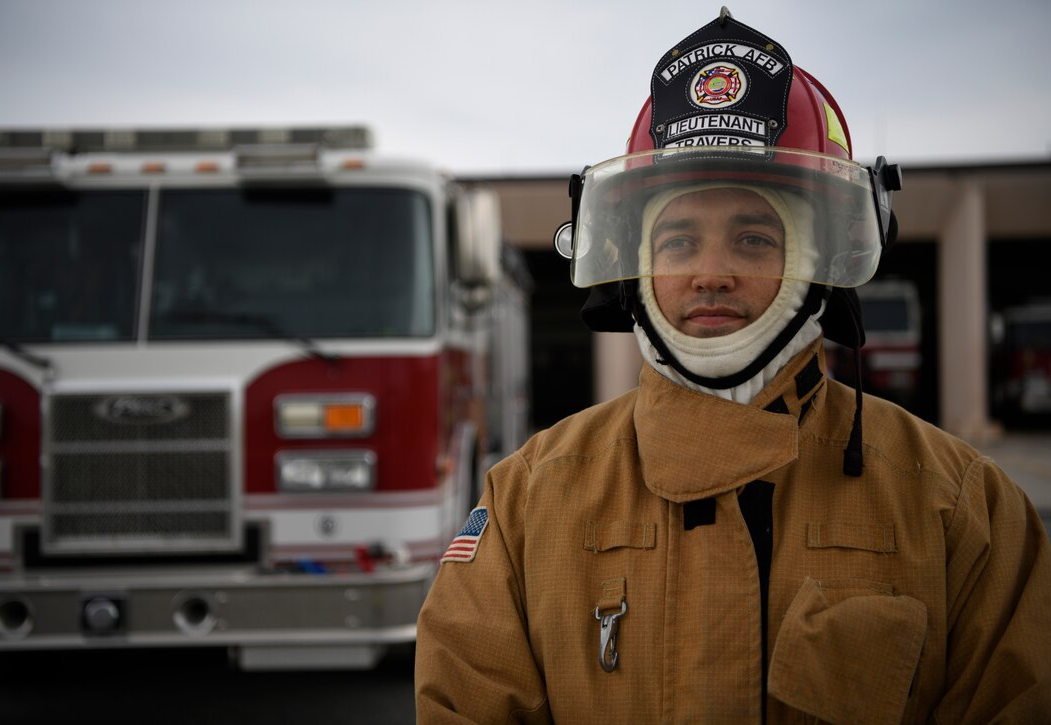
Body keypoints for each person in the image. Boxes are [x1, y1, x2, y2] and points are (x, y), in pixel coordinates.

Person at [415, 8, 1051, 723]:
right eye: (679, 241)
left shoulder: (962, 507)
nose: (710, 273)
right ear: (633, 267)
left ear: (824, 259)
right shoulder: (524, 503)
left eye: (753, 238)